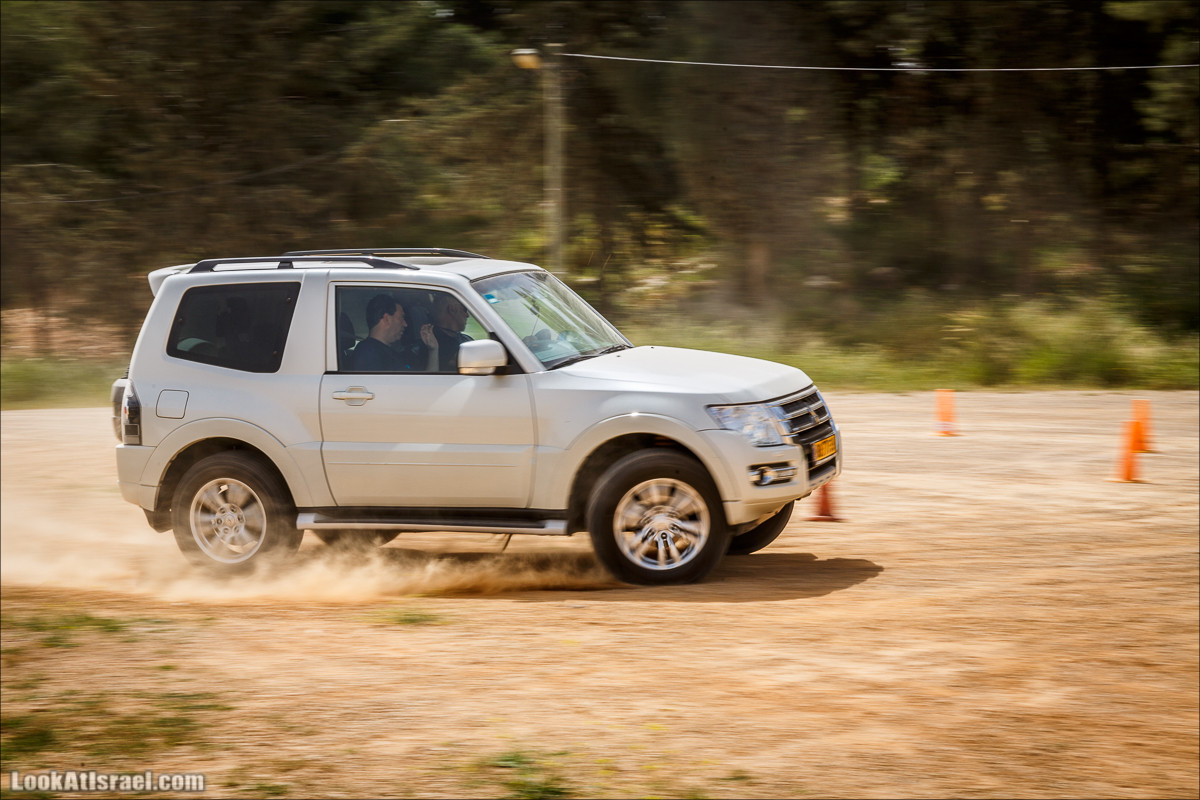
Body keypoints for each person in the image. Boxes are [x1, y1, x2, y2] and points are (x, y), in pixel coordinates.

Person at [350, 294, 438, 372]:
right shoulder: (368, 354)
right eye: (401, 318)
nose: (405, 324)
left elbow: (424, 382)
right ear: (387, 319)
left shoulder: (385, 353)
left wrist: (433, 349)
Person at [431, 293, 472, 372]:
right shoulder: (435, 343)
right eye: (464, 310)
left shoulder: (462, 337)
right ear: (452, 310)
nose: (467, 315)